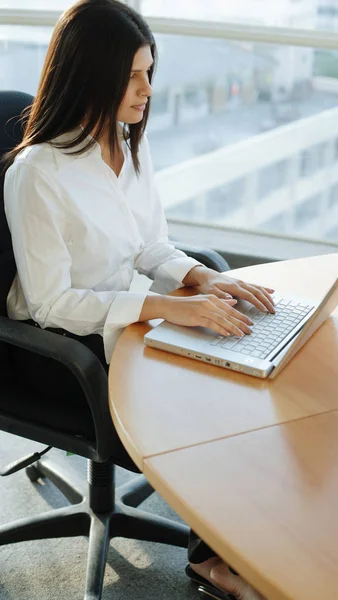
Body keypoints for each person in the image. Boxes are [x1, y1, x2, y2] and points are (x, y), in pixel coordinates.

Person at [1, 1, 274, 598]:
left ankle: (240, 539)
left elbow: (149, 244)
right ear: (90, 73)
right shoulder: (36, 171)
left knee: (235, 371)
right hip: (60, 349)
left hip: (122, 317)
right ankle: (213, 559)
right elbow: (52, 303)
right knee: (197, 401)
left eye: (150, 71)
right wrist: (167, 307)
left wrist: (199, 278)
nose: (147, 89)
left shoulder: (130, 144)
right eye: (133, 75)